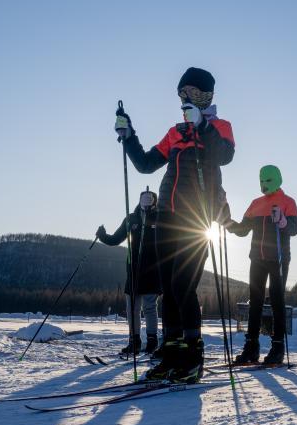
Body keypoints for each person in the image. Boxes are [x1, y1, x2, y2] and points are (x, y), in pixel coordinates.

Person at [115, 67, 235, 382]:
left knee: (183, 286)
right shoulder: (175, 133)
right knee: (167, 291)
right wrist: (129, 137)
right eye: (182, 94)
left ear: (206, 96)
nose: (185, 100)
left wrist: (203, 127)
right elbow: (145, 164)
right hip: (166, 219)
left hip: (196, 220)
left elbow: (224, 156)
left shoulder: (220, 127)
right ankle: (171, 355)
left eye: (191, 94)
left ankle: (192, 356)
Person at [225, 165, 297, 365]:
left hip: (279, 258)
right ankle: (251, 347)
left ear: (276, 179)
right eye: (261, 180)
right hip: (257, 258)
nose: (263, 184)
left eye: (267, 180)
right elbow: (242, 230)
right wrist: (225, 220)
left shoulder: (288, 202)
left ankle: (277, 347)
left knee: (276, 301)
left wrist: (283, 221)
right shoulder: (255, 203)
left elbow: (294, 229)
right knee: (255, 302)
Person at [96, 189, 162, 358]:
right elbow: (115, 239)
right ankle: (134, 342)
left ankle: (152, 341)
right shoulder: (131, 219)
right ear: (139, 201)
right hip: (133, 270)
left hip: (153, 270)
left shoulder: (160, 218)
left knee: (149, 307)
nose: (146, 202)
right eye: (144, 199)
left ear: (155, 202)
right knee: (132, 308)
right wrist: (103, 236)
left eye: (150, 200)